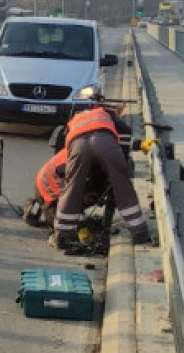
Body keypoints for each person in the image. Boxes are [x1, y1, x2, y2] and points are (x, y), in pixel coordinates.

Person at [52, 96, 152, 247]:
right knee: (122, 185)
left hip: (78, 145)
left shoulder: (77, 117)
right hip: (104, 141)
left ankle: (62, 236)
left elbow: (64, 150)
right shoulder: (107, 115)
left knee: (72, 188)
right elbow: (122, 143)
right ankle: (140, 233)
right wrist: (136, 148)